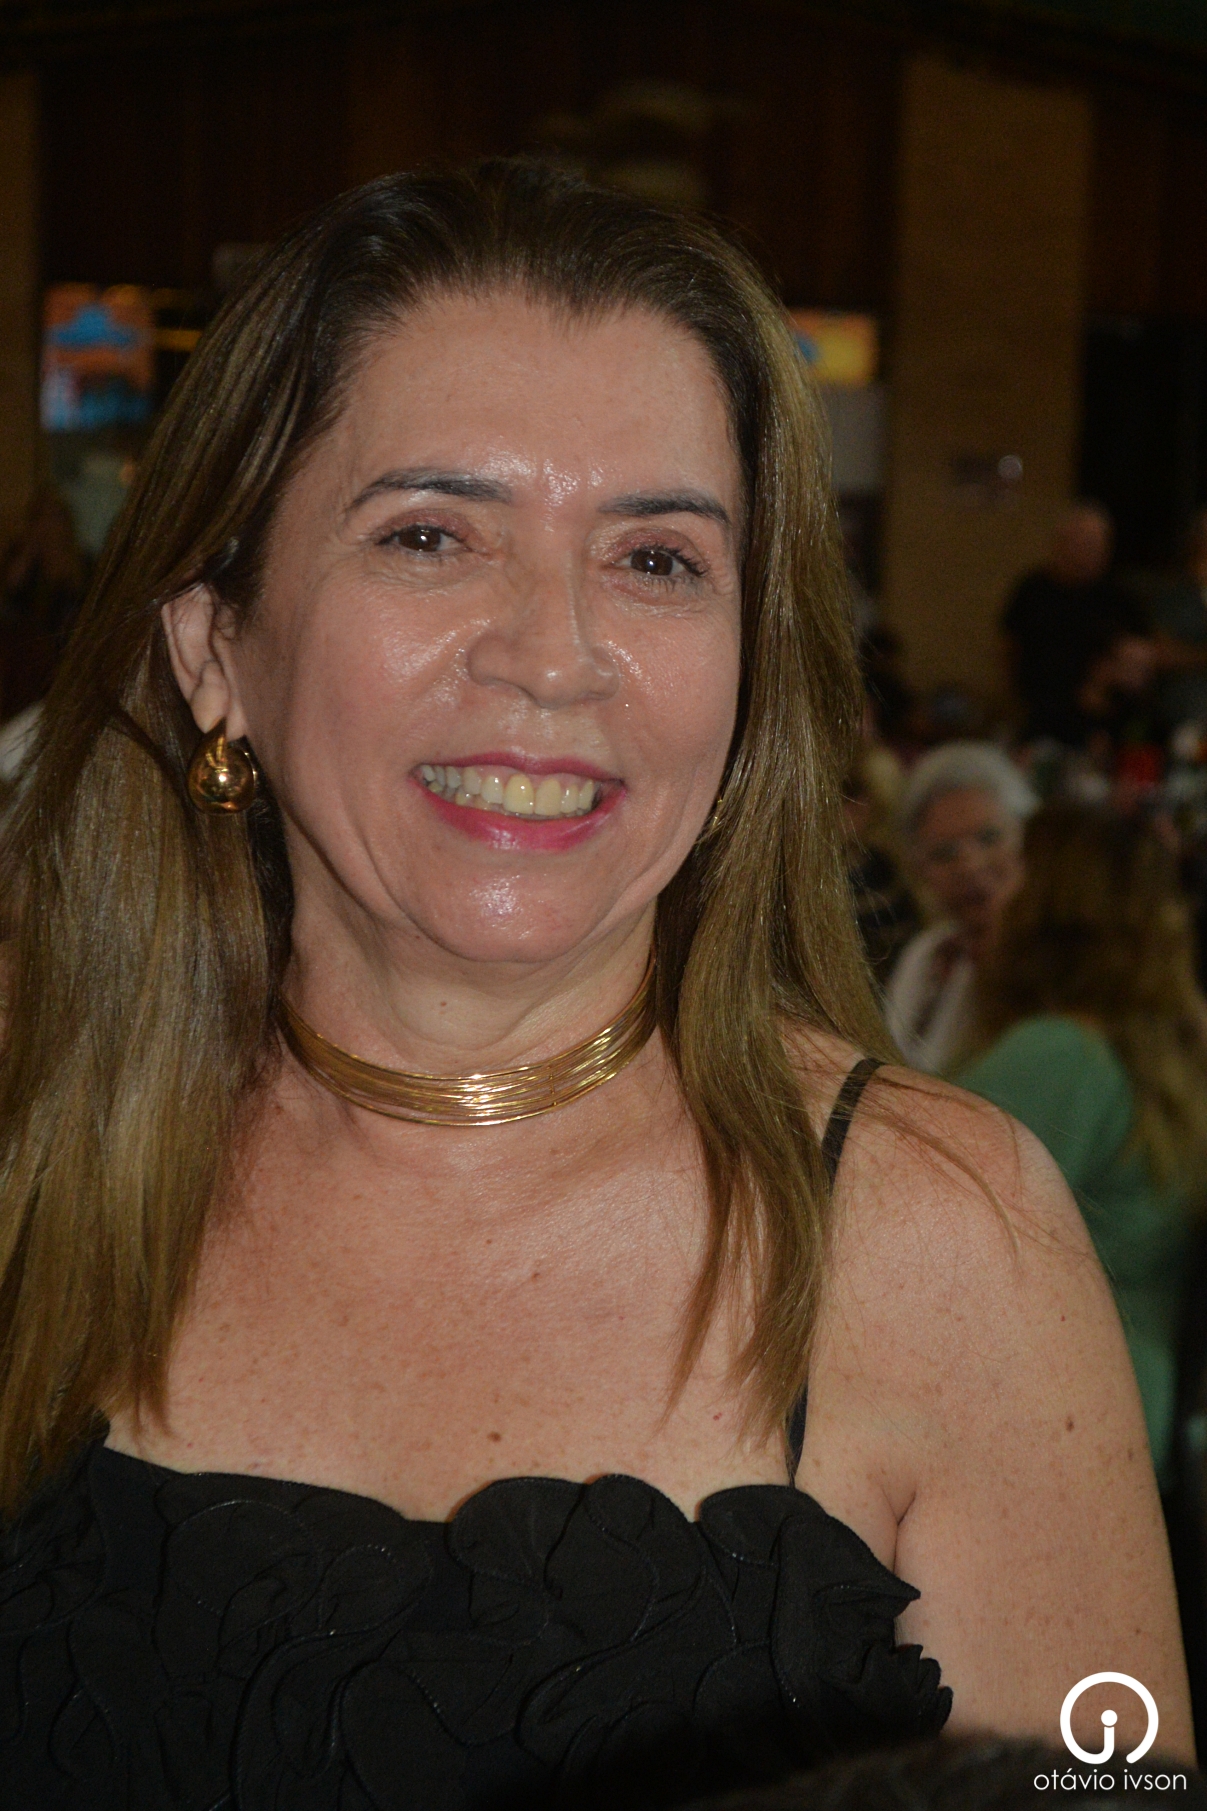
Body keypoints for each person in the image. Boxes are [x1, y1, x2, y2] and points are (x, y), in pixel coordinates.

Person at [0, 163, 1191, 1806]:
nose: (552, 654)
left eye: (654, 559)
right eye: (430, 535)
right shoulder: (32, 1148)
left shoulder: (940, 1239)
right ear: (216, 649)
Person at [957, 804, 1207, 1488]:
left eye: (1012, 869)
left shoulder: (1060, 1053)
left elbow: (913, 1238)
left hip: (1052, 1421)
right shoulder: (1167, 1046)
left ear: (1051, 903)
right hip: (1131, 1412)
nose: (989, 888)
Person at [884, 743, 1035, 1073]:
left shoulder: (1051, 962)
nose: (969, 866)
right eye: (944, 853)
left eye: (989, 838)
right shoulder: (926, 955)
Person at [1002, 504, 1149, 746]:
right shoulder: (1033, 590)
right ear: (1060, 544)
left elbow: (1141, 652)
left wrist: (1106, 680)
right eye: (1080, 543)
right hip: (1043, 711)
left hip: (1103, 717)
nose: (1087, 552)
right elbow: (1008, 648)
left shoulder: (1119, 596)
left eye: (1095, 545)